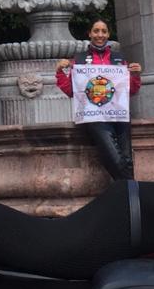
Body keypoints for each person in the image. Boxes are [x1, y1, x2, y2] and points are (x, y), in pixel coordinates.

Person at [55, 19, 142, 179]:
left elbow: (131, 90)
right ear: (89, 33)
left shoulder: (119, 59)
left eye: (103, 31)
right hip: (95, 117)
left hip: (119, 116)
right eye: (96, 31)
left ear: (108, 34)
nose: (100, 35)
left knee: (126, 159)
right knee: (115, 157)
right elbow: (72, 91)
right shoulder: (79, 60)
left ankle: (126, 194)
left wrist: (135, 75)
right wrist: (60, 72)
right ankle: (131, 190)